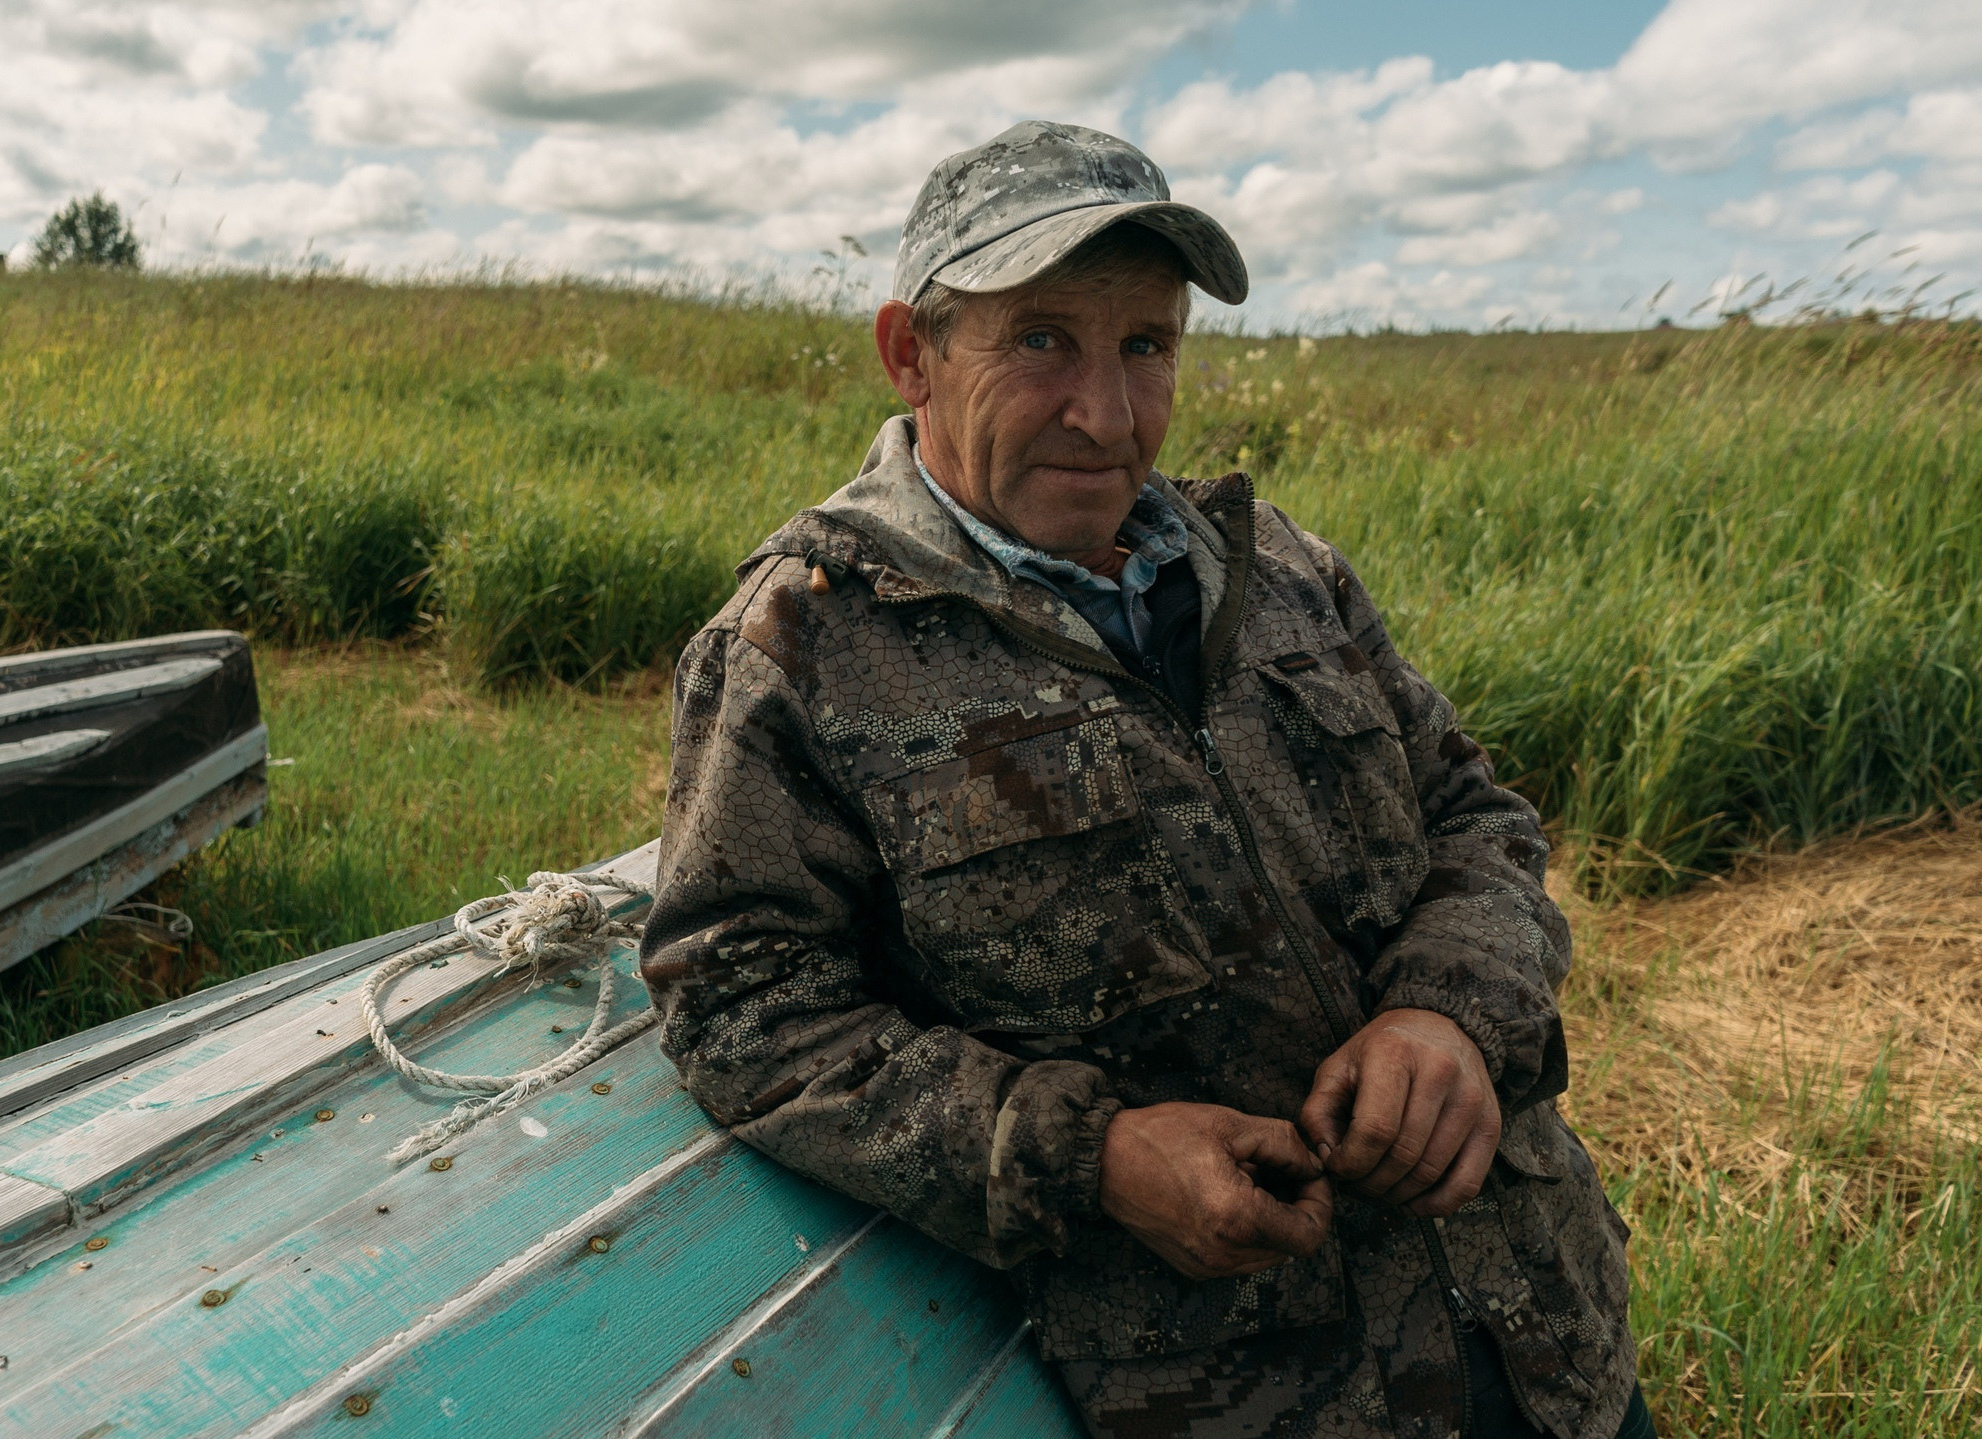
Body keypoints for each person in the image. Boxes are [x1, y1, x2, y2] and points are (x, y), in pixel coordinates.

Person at [638, 121, 1653, 1438]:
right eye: (1042, 340)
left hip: (1539, 1336)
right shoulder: (808, 643)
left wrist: (1449, 1016)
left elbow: (1478, 814)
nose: (1106, 414)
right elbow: (741, 1004)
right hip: (1248, 1394)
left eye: (1146, 346)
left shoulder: (1283, 569)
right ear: (912, 354)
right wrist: (1093, 1157)